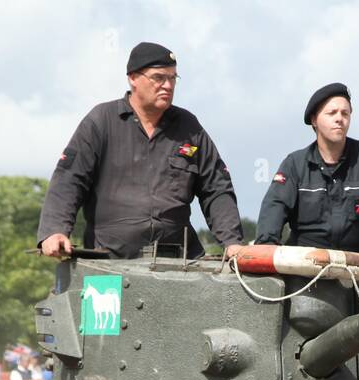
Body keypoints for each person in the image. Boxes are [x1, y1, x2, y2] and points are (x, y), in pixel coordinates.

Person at [38, 42, 244, 261]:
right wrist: (55, 230)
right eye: (158, 77)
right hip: (109, 262)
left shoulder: (189, 127)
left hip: (178, 263)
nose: (168, 85)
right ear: (133, 78)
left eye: (173, 78)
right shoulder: (101, 121)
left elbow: (216, 188)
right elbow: (69, 180)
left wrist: (232, 242)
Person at [255, 82, 359, 277]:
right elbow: (274, 207)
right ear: (314, 120)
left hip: (358, 271)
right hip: (304, 271)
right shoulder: (295, 164)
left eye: (345, 113)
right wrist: (266, 248)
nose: (339, 119)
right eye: (331, 113)